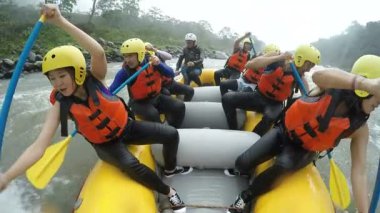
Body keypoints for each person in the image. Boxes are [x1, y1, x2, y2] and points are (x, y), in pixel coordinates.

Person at [0, 5, 191, 213]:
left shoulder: (96, 78)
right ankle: (168, 192)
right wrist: (7, 176)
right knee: (131, 165)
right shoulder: (61, 106)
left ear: (78, 72)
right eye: (52, 78)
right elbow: (39, 146)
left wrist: (60, 20)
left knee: (171, 134)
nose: (57, 83)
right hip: (106, 145)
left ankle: (170, 169)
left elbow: (97, 51)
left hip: (127, 127)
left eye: (62, 76)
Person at [227, 54, 380, 213]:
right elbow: (318, 76)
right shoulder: (329, 87)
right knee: (241, 164)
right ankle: (245, 167)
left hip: (304, 151)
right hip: (283, 132)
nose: (379, 103)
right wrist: (366, 84)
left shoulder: (360, 129)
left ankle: (245, 197)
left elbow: (359, 172)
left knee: (283, 164)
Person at [222, 44, 320, 136]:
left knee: (270, 118)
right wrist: (279, 57)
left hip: (274, 104)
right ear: (300, 59)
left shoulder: (301, 78)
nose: (308, 70)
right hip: (258, 96)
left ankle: (252, 139)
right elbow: (249, 65)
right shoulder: (277, 62)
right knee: (227, 98)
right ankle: (233, 129)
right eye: (309, 65)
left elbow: (308, 97)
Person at [110, 38, 185, 128]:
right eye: (125, 56)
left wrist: (159, 64)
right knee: (153, 115)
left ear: (140, 54)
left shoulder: (153, 62)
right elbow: (110, 91)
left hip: (157, 97)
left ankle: (175, 129)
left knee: (180, 106)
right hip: (139, 103)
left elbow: (171, 74)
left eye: (130, 56)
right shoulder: (125, 72)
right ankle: (162, 135)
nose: (127, 60)